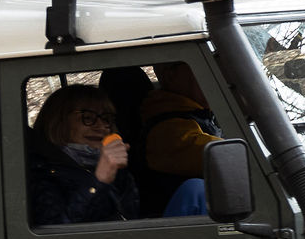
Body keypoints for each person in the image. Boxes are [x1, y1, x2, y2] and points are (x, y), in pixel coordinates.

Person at [29, 84, 142, 225]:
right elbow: (56, 236)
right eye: (88, 118)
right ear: (59, 121)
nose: (101, 126)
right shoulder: (42, 173)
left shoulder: (114, 166)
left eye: (106, 118)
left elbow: (131, 219)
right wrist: (99, 182)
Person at [139, 61, 220, 215]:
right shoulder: (166, 130)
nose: (213, 75)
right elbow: (224, 155)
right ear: (170, 76)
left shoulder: (201, 114)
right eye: (201, 66)